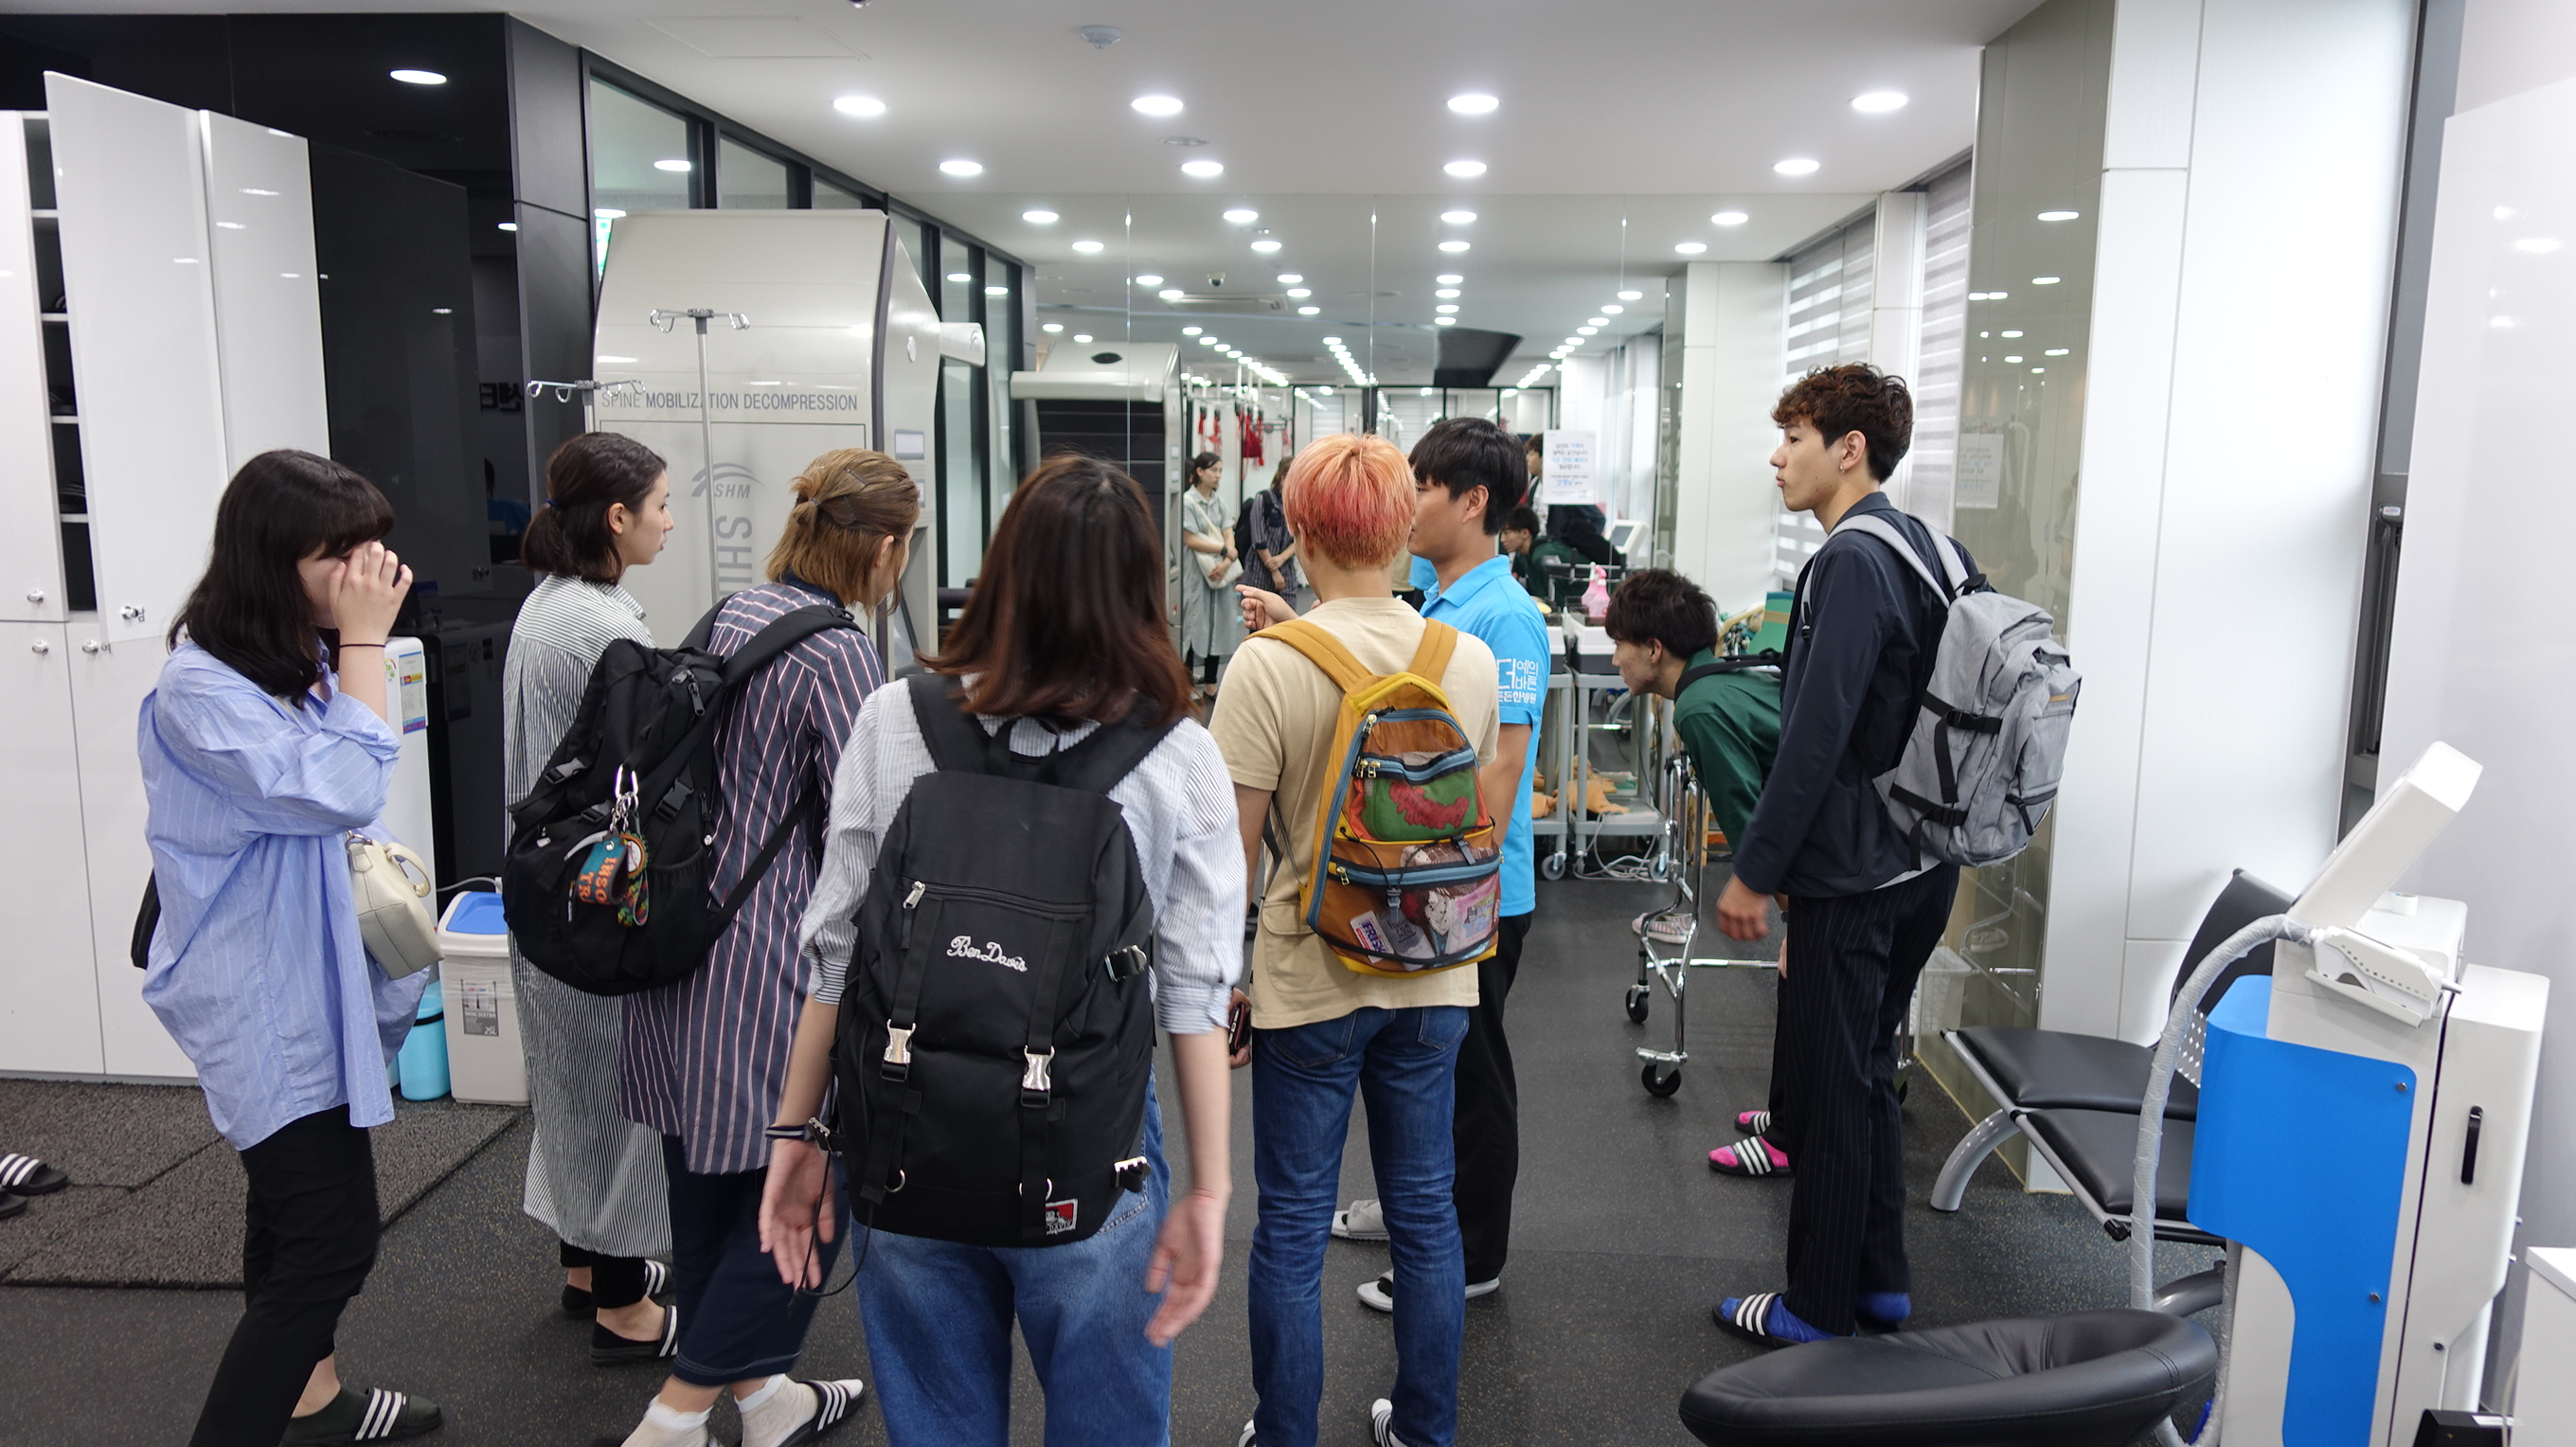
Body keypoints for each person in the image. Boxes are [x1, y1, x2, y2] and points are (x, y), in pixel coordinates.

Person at [758, 451, 1243, 1447]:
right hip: (1088, 1143)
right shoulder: (1176, 752)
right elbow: (1193, 991)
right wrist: (1206, 1186)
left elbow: (834, 952)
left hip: (904, 1137)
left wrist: (796, 1136)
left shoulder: (894, 718)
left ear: (1003, 566)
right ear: (1139, 587)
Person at [607, 449, 918, 1447]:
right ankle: (672, 1420)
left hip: (676, 945)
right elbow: (867, 829)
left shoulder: (728, 615)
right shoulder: (837, 654)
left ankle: (762, 1400)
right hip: (772, 967)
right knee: (806, 1194)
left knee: (706, 1193)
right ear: (883, 546)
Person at [140, 449, 443, 1444]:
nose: (368, 573)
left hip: (305, 982)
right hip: (260, 999)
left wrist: (347, 644)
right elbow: (343, 788)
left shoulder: (284, 661)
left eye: (372, 549)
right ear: (272, 562)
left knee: (285, 1223)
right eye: (340, 556)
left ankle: (312, 1402)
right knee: (328, 1247)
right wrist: (365, 641)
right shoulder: (198, 687)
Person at [1213, 432, 1500, 1447]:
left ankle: (1285, 1432)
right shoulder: (1463, 659)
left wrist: (1225, 983)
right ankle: (1423, 1430)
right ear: (1400, 528)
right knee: (1426, 1214)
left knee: (1292, 1224)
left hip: (1310, 978)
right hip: (1435, 972)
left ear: (1296, 534)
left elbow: (1229, 857)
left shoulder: (1264, 668)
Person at [1709, 364, 1964, 1348]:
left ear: (1848, 449)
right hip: (1922, 861)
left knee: (1829, 1085)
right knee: (1863, 1072)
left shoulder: (1850, 561)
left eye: (1795, 437)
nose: (1777, 458)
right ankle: (1879, 1284)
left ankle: (1815, 1305)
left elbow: (1812, 737)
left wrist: (1754, 871)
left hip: (1857, 874)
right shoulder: (1927, 547)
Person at [1329, 419, 1547, 1314]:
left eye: (1422, 486)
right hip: (1422, 879)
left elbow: (1502, 766)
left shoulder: (1506, 616)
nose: (1407, 502)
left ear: (1472, 501)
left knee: (1471, 1073)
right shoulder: (1434, 599)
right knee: (1416, 1063)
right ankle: (1419, 1210)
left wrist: (1441, 880)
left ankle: (1473, 1253)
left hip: (1473, 890)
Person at [502, 432, 681, 1362]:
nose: (670, 521)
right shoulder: (605, 630)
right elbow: (644, 767)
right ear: (617, 516)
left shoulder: (550, 605)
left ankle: (583, 1268)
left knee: (567, 1082)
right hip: (590, 885)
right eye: (660, 505)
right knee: (611, 1090)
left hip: (542, 877)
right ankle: (621, 1307)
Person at [1603, 569, 1791, 1177]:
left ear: (1654, 649)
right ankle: (1791, 1116)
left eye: (1620, 644)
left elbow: (1752, 823)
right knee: (1799, 986)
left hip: (1845, 868)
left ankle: (1792, 1139)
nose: (1615, 658)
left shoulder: (1701, 708)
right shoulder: (1727, 678)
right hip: (1851, 855)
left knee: (1812, 994)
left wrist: (1798, 920)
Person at [1176, 450, 1242, 701]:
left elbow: (1228, 533)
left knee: (1219, 626)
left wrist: (1226, 563)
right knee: (1194, 624)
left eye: (1220, 471)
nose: (1218, 475)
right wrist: (1225, 551)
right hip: (1196, 575)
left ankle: (1211, 684)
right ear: (1199, 472)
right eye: (1214, 470)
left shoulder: (1220, 502)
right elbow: (1190, 540)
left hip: (1220, 573)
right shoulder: (1187, 502)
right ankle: (1187, 684)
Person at [1243, 455, 1308, 612]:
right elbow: (1258, 539)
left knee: (1288, 615)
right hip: (1260, 568)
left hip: (1286, 567)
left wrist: (1281, 558)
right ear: (1281, 476)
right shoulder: (1263, 498)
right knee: (1258, 615)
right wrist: (1274, 569)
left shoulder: (1299, 503)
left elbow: (1301, 536)